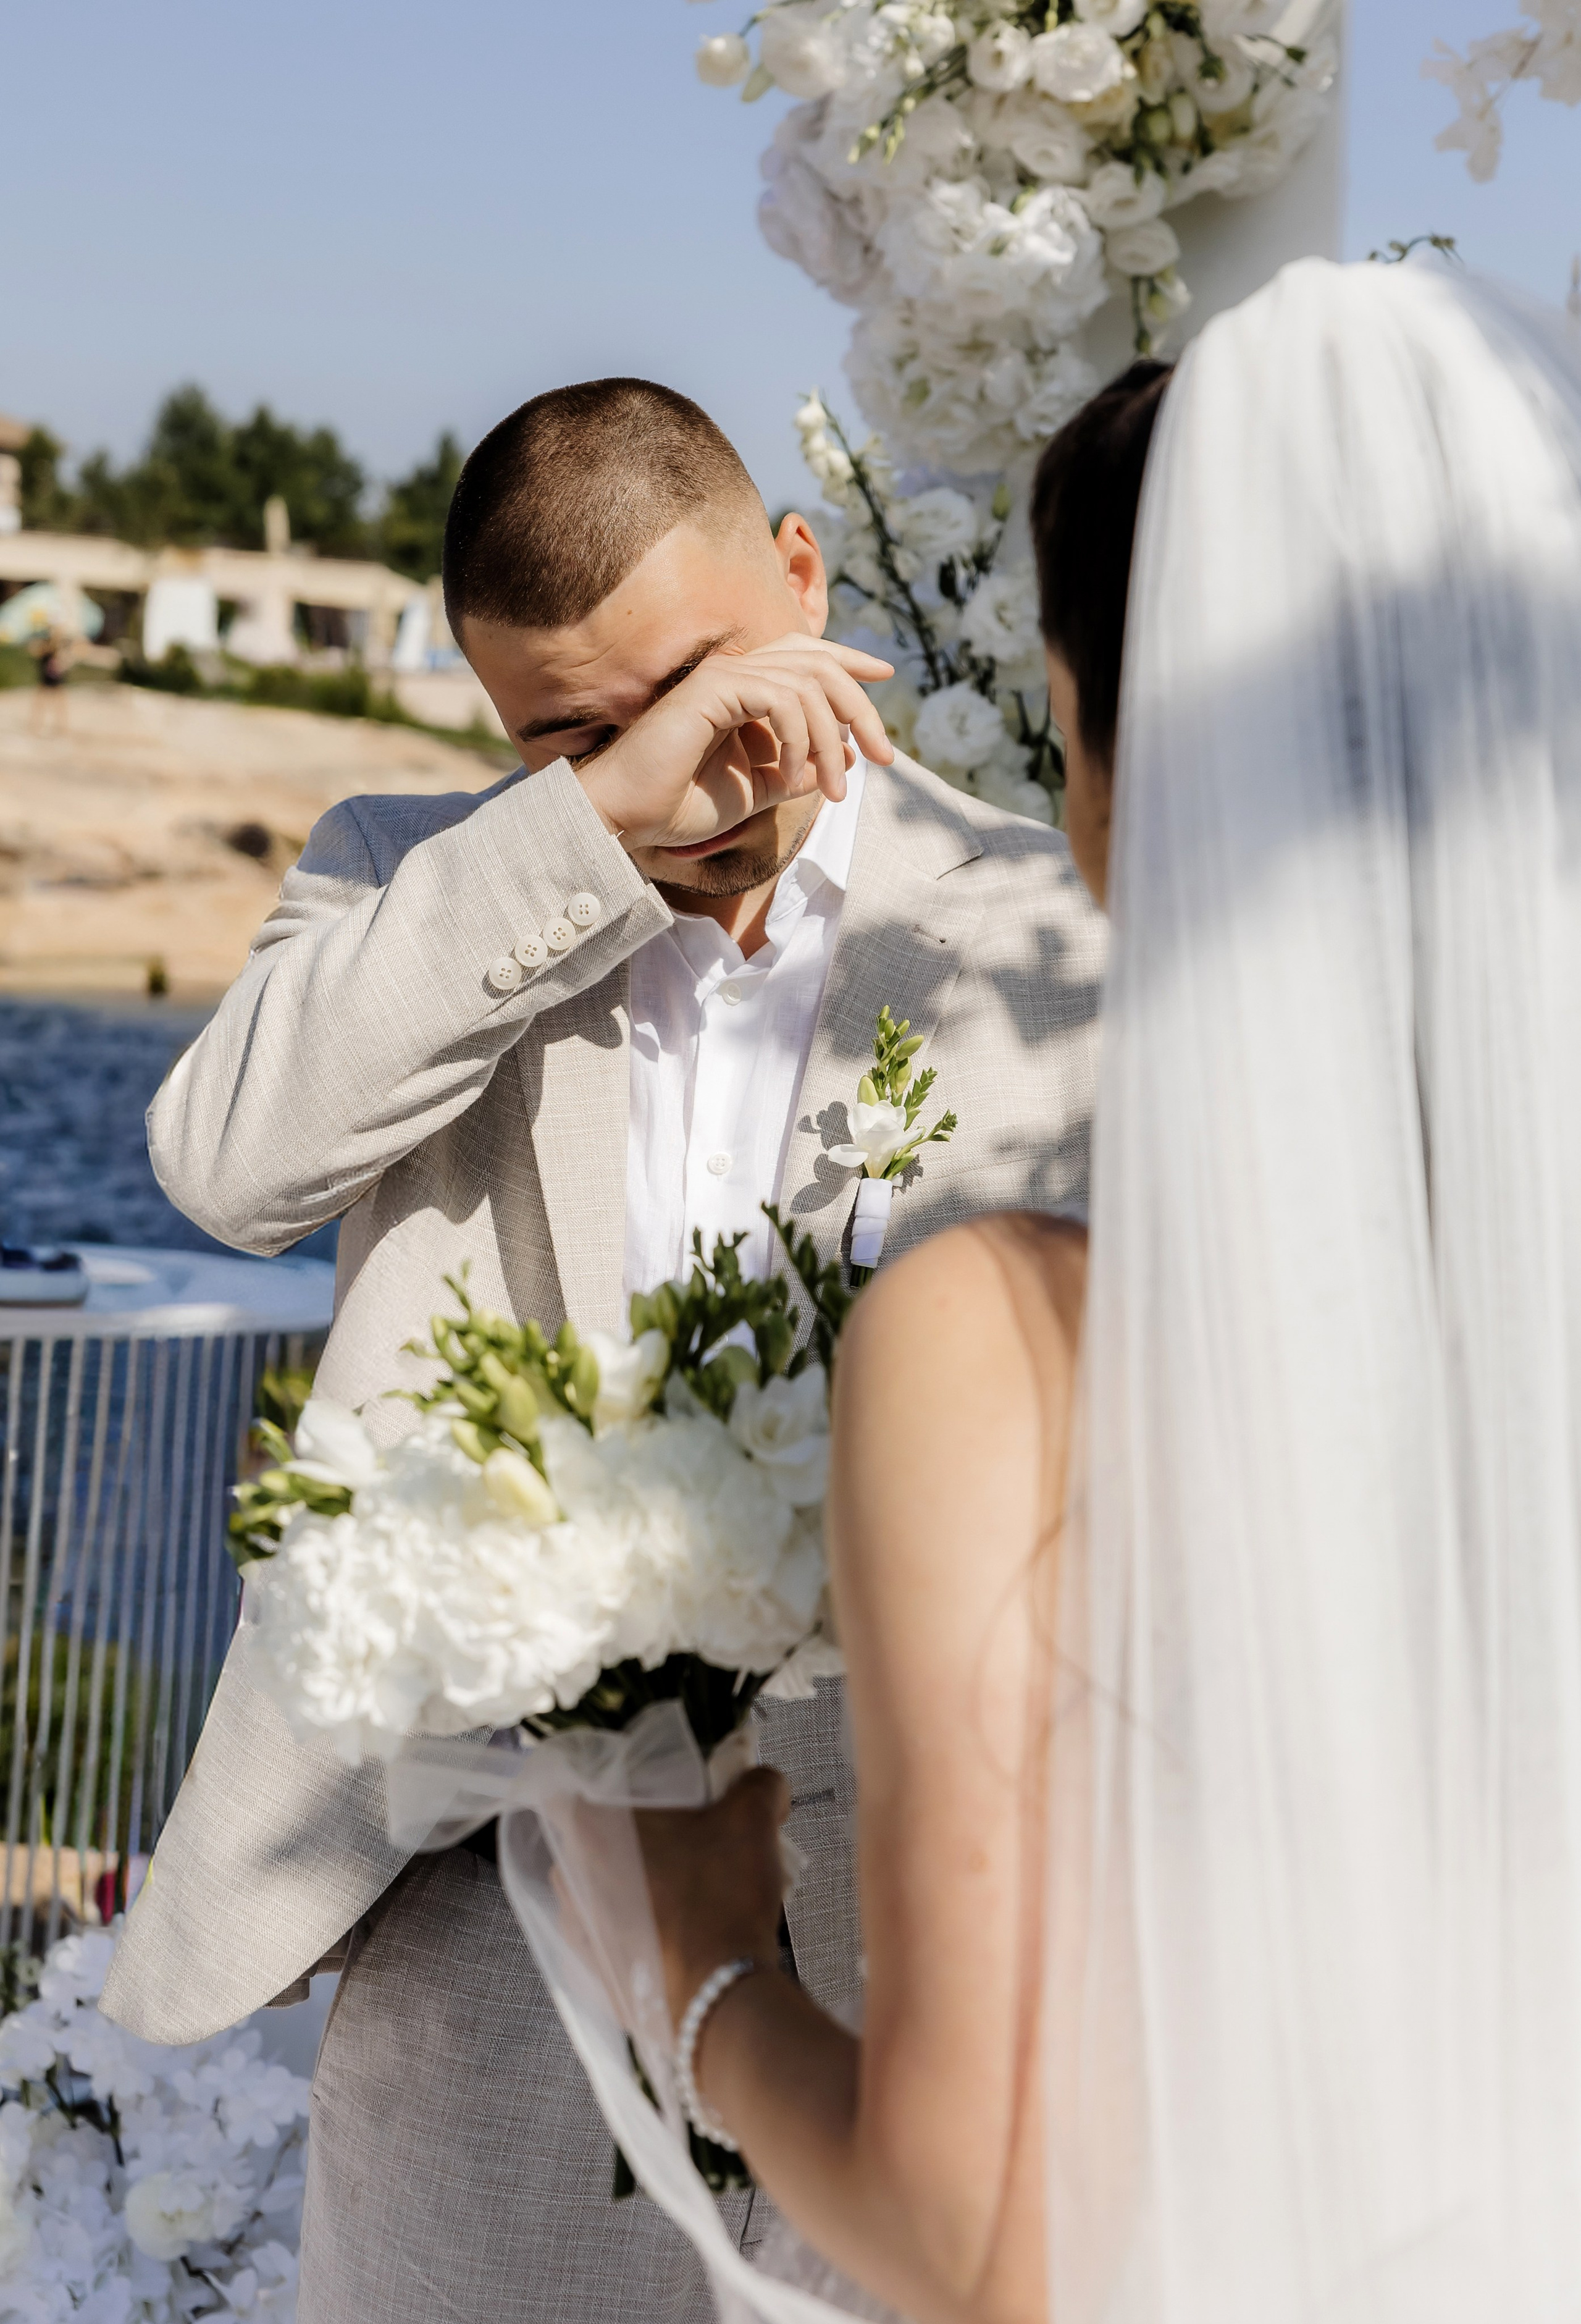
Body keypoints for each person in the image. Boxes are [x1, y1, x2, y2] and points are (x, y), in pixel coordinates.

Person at [621, 258, 1581, 2324]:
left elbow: (991, 2239)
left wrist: (699, 1971)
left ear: (1151, 769)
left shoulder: (1017, 1348)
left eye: (1063, 731)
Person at [98, 378, 1105, 2324]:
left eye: (701, 682)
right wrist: (583, 835)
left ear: (803, 573)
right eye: (569, 731)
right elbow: (226, 1168)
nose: (688, 768)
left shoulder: (1045, 927)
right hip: (483, 1929)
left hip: (923, 1933)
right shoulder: (415, 872)